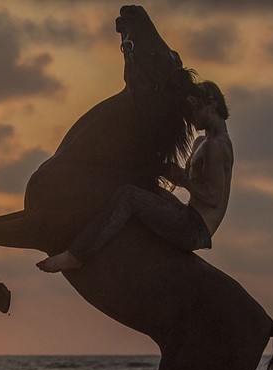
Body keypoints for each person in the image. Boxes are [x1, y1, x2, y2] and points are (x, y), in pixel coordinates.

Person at [36, 80, 232, 272]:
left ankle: (76, 256)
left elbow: (213, 198)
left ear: (212, 105)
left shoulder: (217, 146)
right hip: (189, 214)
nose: (191, 116)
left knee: (129, 195)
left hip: (195, 228)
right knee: (142, 184)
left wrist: (184, 180)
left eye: (195, 109)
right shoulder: (202, 142)